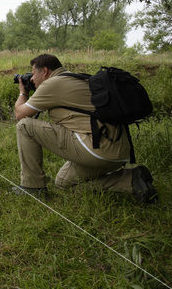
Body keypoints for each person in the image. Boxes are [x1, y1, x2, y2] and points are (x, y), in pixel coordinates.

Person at [13, 54, 158, 203]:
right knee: (64, 183)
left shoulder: (53, 84)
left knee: (25, 126)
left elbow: (20, 114)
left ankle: (32, 188)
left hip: (97, 149)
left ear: (44, 71)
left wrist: (23, 92)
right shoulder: (75, 78)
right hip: (118, 153)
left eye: (33, 73)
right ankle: (132, 180)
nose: (31, 79)